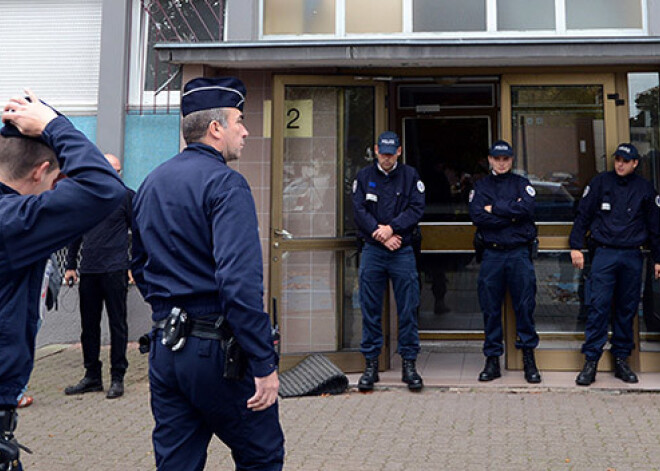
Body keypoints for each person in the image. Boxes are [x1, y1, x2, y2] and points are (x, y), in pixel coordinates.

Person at [131, 77, 284, 470]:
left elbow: (138, 263)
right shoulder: (226, 184)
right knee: (262, 456)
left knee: (177, 463)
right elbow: (239, 284)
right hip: (217, 351)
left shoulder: (151, 182)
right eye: (239, 121)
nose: (246, 131)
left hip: (167, 349)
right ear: (216, 128)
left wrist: (171, 308)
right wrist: (264, 363)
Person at [0, 91, 125, 470]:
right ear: (40, 172)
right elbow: (104, 188)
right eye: (54, 180)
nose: (54, 189)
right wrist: (54, 126)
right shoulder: (12, 221)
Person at [570, 143, 660, 386]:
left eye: (625, 160)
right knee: (598, 307)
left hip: (632, 256)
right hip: (605, 254)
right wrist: (575, 245)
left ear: (635, 163)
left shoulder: (644, 188)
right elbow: (583, 215)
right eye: (617, 159)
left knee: (626, 309)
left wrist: (658, 258)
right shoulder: (600, 183)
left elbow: (655, 226)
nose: (620, 164)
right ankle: (591, 361)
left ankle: (621, 359)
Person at [352, 131, 425, 392]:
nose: (386, 157)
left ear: (399, 151)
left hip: (401, 251)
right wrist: (380, 235)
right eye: (382, 153)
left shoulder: (409, 176)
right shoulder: (364, 176)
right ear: (375, 150)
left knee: (408, 308)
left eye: (391, 153)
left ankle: (409, 364)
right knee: (370, 309)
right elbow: (358, 210)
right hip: (373, 249)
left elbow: (416, 209)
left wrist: (392, 229)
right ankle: (371, 365)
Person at [469, 140, 541, 384]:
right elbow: (478, 216)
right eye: (497, 159)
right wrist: (511, 214)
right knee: (490, 309)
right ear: (490, 159)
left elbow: (528, 211)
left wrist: (495, 209)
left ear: (512, 160)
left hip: (519, 254)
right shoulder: (481, 186)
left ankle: (528, 359)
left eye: (506, 159)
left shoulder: (522, 184)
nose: (501, 163)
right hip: (492, 254)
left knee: (524, 307)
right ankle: (492, 361)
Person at [63, 154, 133, 399]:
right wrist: (70, 266)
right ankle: (92, 376)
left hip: (115, 270)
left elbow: (141, 232)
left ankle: (117, 377)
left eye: (118, 170)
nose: (114, 174)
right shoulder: (86, 198)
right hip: (89, 270)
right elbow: (75, 233)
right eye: (110, 169)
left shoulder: (126, 197)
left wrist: (133, 265)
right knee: (88, 327)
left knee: (118, 325)